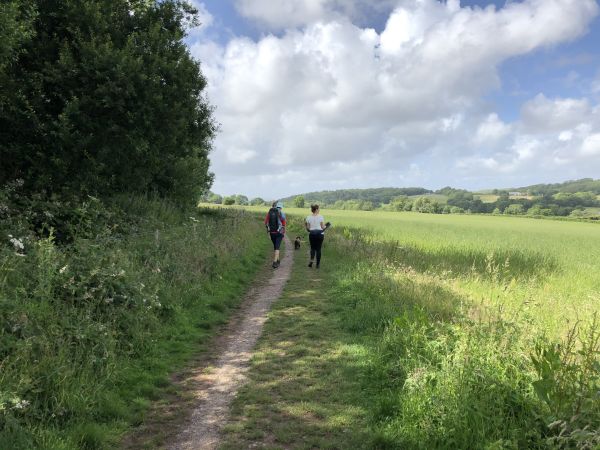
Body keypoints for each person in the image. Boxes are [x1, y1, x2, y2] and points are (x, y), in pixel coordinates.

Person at [265, 201, 286, 268]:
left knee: (276, 247)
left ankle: (278, 260)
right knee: (277, 247)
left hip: (272, 232)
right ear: (281, 207)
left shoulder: (270, 213)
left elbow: (266, 222)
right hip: (279, 233)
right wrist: (283, 232)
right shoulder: (282, 213)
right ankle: (274, 262)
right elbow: (284, 224)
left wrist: (268, 231)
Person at [305, 204, 326, 269]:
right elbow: (322, 227)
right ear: (316, 209)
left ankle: (311, 261)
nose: (319, 210)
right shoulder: (321, 217)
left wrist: (308, 227)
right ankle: (317, 265)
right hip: (320, 234)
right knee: (318, 249)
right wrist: (326, 226)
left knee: (313, 248)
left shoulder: (308, 217)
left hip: (312, 234)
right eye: (319, 209)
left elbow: (308, 228)